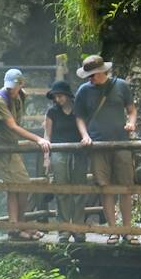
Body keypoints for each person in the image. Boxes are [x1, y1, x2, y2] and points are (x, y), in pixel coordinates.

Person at [73, 54, 139, 244]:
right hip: (98, 145)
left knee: (126, 188)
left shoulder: (121, 86)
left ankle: (127, 230)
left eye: (92, 75)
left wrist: (131, 123)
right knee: (105, 188)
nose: (90, 79)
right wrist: (85, 135)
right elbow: (79, 117)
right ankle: (113, 231)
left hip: (121, 142)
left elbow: (131, 110)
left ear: (103, 72)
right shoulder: (83, 91)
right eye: (88, 76)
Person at [0, 69, 52, 240]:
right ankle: (19, 227)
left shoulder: (19, 96)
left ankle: (17, 226)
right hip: (2, 147)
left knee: (16, 186)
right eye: (9, 87)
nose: (12, 90)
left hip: (12, 146)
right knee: (20, 184)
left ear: (21, 84)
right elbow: (12, 126)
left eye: (15, 87)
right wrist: (38, 139)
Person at [43, 80, 87, 241]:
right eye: (55, 97)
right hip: (59, 153)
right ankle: (64, 230)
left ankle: (79, 229)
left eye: (60, 96)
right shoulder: (52, 112)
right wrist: (46, 158)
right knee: (61, 191)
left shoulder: (79, 109)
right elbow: (47, 135)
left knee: (79, 191)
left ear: (67, 96)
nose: (58, 99)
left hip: (78, 153)